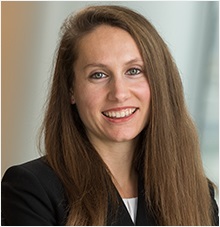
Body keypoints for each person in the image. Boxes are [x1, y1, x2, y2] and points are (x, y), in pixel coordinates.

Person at [1, 5, 219, 226]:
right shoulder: (31, 189)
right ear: (71, 90)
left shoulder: (197, 194)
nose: (119, 93)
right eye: (99, 75)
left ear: (160, 81)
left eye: (134, 71)